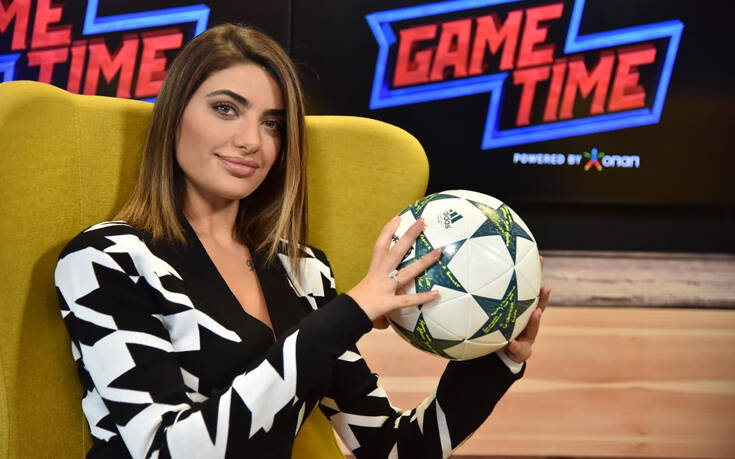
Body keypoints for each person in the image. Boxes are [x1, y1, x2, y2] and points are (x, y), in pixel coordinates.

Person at [54, 23, 551, 458]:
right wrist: (350, 314)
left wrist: (497, 360)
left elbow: (393, 448)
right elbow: (163, 450)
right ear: (174, 115)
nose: (251, 141)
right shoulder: (106, 260)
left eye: (272, 123)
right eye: (226, 109)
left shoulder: (303, 271)